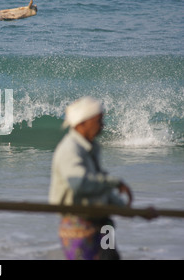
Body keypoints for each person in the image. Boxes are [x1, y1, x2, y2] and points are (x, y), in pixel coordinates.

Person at [49, 96, 155, 260]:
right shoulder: (70, 149)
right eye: (98, 121)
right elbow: (80, 184)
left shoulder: (92, 147)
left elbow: (100, 190)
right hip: (80, 227)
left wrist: (133, 211)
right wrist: (114, 182)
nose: (102, 125)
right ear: (82, 123)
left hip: (105, 226)